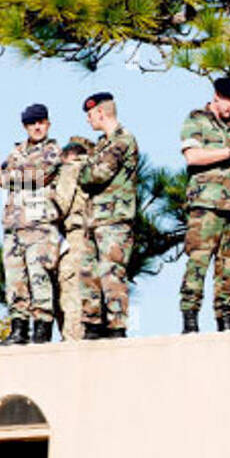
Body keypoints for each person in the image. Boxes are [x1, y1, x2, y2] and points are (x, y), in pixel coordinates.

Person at [179, 77, 230, 333]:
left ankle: (225, 322)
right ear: (216, 96)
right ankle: (190, 320)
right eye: (229, 103)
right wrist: (229, 153)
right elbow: (193, 157)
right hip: (206, 204)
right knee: (198, 263)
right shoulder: (196, 120)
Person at [0, 103, 62, 345]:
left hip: (39, 225)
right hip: (14, 226)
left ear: (48, 123)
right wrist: (19, 175)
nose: (37, 127)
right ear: (25, 126)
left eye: (41, 122)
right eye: (32, 123)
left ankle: (42, 332)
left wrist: (14, 176)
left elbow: (41, 176)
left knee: (39, 278)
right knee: (15, 280)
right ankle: (18, 330)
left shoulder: (52, 150)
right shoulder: (16, 152)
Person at [78, 92, 139, 339]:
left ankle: (116, 326)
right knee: (88, 273)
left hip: (115, 218)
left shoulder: (122, 140)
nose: (88, 120)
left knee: (111, 273)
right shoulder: (102, 144)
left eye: (90, 115)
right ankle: (92, 323)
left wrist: (83, 170)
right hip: (94, 219)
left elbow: (97, 174)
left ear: (101, 113)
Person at [51, 137, 95, 341]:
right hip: (94, 237)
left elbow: (60, 205)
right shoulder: (95, 172)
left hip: (75, 237)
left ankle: (72, 340)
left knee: (70, 292)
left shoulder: (71, 170)